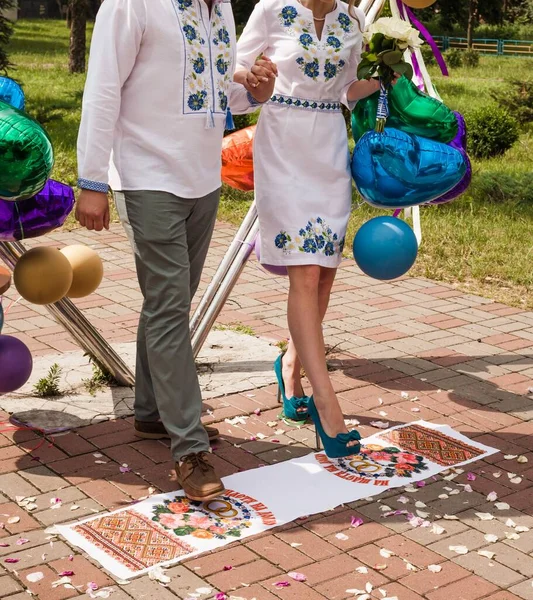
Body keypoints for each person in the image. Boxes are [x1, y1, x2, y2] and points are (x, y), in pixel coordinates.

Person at [75, 0, 276, 501]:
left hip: (202, 180)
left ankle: (150, 412)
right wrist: (92, 179)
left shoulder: (221, 9)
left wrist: (255, 91)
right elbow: (102, 89)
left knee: (171, 302)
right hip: (147, 178)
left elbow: (218, 96)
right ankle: (189, 449)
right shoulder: (131, 4)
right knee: (168, 306)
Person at [236, 0, 387, 458]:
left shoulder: (352, 19)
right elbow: (233, 75)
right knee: (303, 273)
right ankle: (327, 406)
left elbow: (346, 88)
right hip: (282, 144)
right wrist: (254, 82)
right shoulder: (269, 10)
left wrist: (386, 78)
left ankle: (290, 367)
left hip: (329, 148)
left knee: (323, 274)